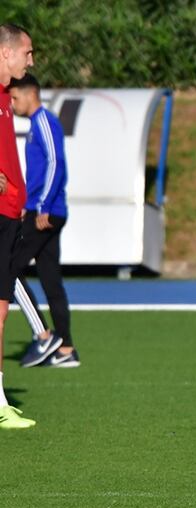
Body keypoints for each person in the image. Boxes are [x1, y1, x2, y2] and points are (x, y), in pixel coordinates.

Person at [9, 74, 78, 368]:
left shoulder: (44, 122)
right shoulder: (35, 126)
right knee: (51, 281)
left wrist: (41, 206)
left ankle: (44, 336)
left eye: (14, 98)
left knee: (8, 269)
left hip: (45, 212)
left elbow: (55, 163)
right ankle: (67, 350)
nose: (11, 105)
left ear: (30, 94)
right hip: (42, 210)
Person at [0, 24, 36, 428]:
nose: (31, 59)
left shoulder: (5, 99)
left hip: (10, 215)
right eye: (27, 52)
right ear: (6, 52)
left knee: (2, 313)